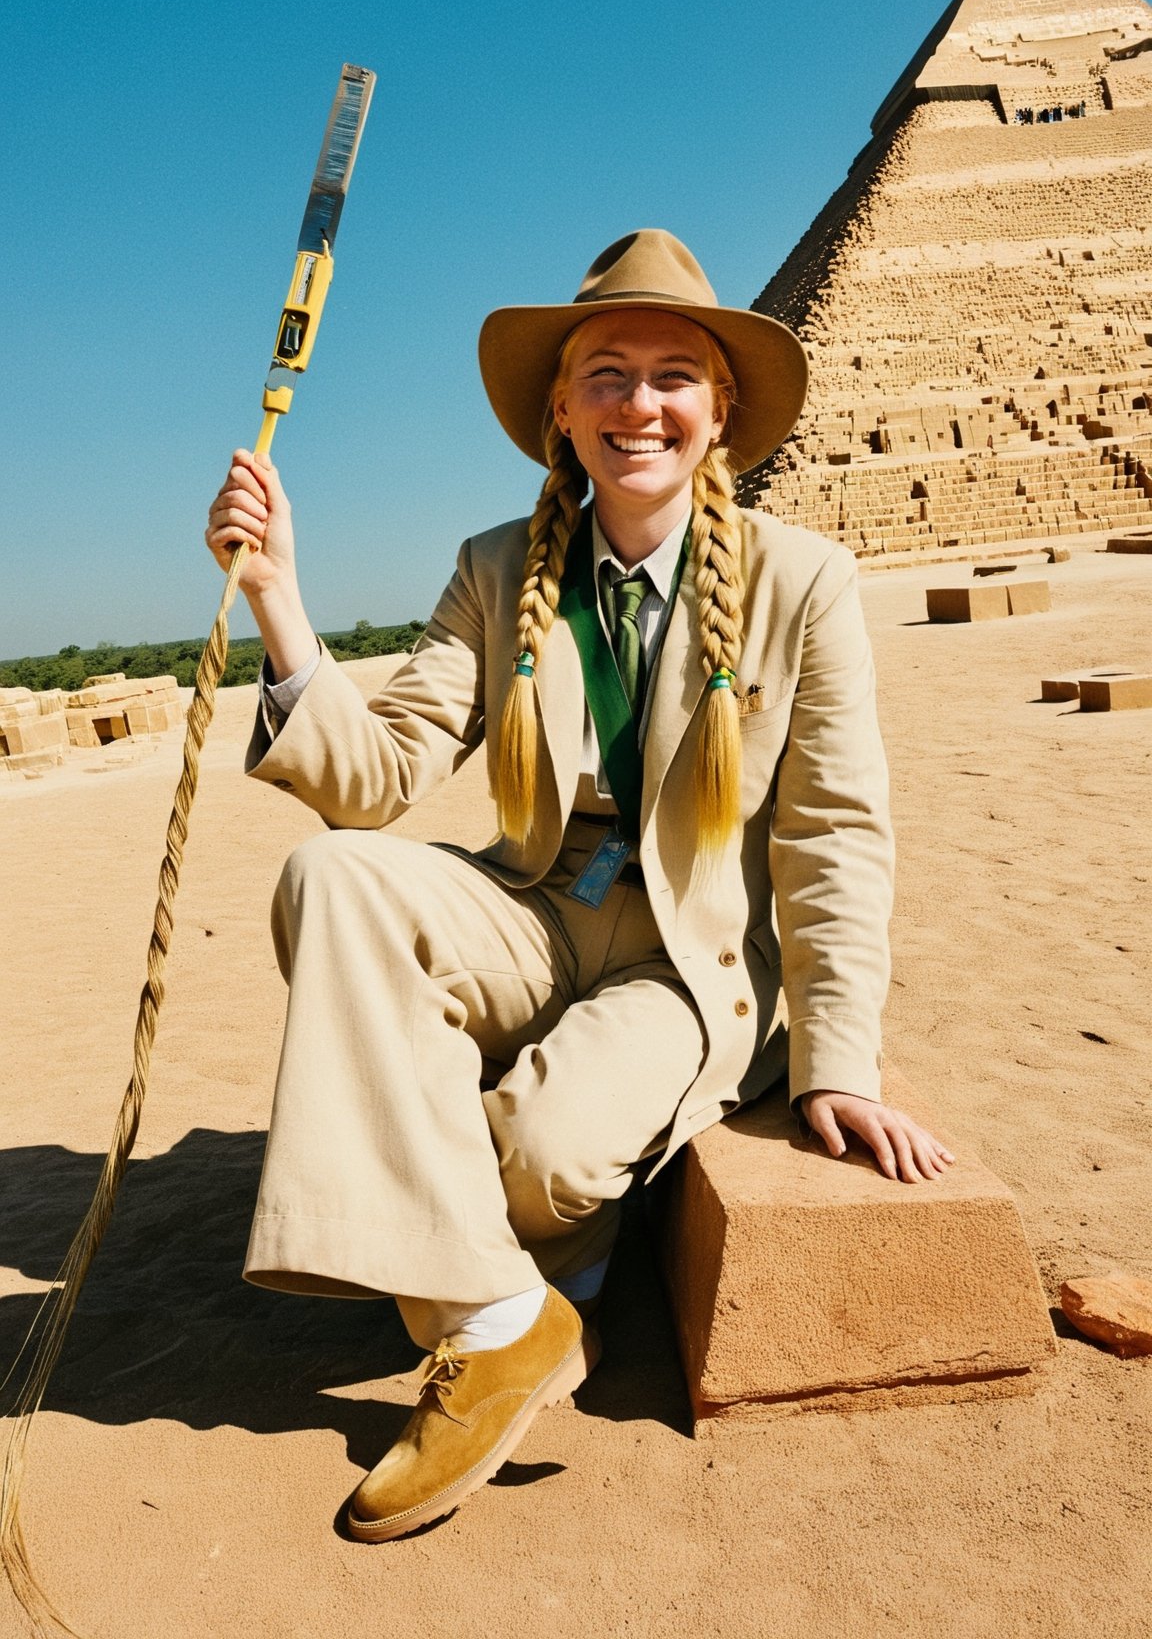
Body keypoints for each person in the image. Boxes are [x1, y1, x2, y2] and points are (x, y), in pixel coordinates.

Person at [205, 228, 953, 1542]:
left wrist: (839, 1061)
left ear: (721, 413)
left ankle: (562, 1252)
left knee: (530, 1154)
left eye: (674, 375)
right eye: (605, 372)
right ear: (559, 408)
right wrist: (278, 601)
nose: (638, 404)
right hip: (544, 914)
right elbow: (376, 777)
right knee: (334, 879)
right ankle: (506, 1320)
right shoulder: (500, 568)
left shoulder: (802, 582)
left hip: (695, 951)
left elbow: (836, 833)